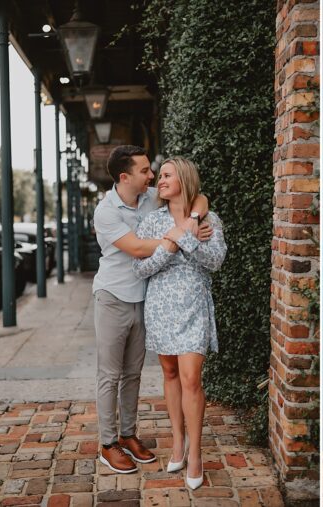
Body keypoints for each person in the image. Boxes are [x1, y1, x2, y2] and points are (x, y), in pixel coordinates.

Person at [91, 145, 211, 475]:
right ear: (124, 177)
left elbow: (197, 198)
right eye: (145, 171)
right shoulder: (106, 211)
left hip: (144, 300)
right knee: (109, 375)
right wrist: (182, 234)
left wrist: (194, 217)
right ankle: (107, 444)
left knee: (132, 374)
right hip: (113, 296)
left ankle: (128, 435)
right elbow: (138, 249)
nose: (152, 175)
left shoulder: (147, 200)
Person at [133, 156, 227, 490]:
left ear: (184, 179)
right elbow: (140, 270)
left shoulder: (207, 218)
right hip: (160, 307)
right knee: (170, 374)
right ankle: (177, 442)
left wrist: (185, 234)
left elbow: (215, 261)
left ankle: (196, 454)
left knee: (191, 378)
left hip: (193, 307)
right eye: (159, 176)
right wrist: (169, 246)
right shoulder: (151, 222)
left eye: (167, 175)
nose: (160, 180)